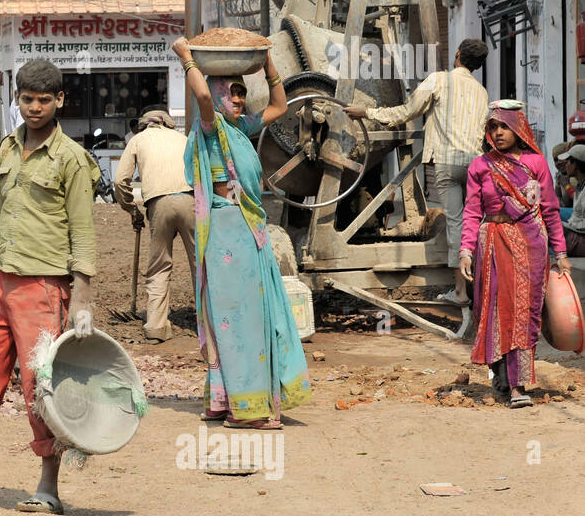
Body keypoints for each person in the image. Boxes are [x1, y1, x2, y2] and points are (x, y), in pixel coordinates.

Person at [0, 60, 98, 516]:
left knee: (41, 388)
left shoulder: (71, 159)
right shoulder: (7, 148)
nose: (33, 107)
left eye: (43, 100)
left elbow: (83, 232)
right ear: (16, 99)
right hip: (1, 280)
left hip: (43, 286)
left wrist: (81, 299)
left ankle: (48, 487)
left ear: (60, 101)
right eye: (26, 99)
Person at [174, 37, 312, 430]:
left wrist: (268, 64)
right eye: (230, 94)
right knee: (237, 319)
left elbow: (280, 106)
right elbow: (201, 95)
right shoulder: (210, 125)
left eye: (240, 93)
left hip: (247, 228)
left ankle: (226, 398)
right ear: (217, 95)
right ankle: (244, 409)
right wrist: (186, 59)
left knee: (248, 317)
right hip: (224, 231)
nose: (236, 100)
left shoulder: (241, 127)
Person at [345, 39, 490, 305]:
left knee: (457, 223)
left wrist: (366, 112)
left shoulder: (439, 81)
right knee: (474, 223)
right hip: (476, 165)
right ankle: (479, 286)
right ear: (478, 66)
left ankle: (460, 292)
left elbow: (406, 112)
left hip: (447, 163)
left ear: (457, 55)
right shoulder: (481, 92)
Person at [459, 101, 569, 408]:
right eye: (493, 127)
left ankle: (519, 385)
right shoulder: (480, 166)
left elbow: (549, 209)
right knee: (494, 310)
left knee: (524, 313)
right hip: (492, 246)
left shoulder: (535, 163)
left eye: (504, 126)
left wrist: (559, 252)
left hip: (531, 246)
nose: (498, 132)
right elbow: (471, 212)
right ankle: (501, 375)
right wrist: (465, 252)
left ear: (518, 128)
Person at [114, 109, 195, 343]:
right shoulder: (183, 139)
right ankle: (211, 325)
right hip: (191, 200)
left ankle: (156, 328)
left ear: (141, 125)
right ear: (168, 123)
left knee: (159, 266)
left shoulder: (137, 140)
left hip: (158, 204)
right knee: (200, 266)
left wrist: (132, 209)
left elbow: (120, 181)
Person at [560, 143, 585, 256]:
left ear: (576, 165)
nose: (565, 165)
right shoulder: (580, 185)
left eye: (568, 162)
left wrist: (565, 226)